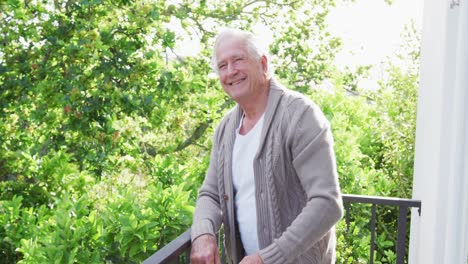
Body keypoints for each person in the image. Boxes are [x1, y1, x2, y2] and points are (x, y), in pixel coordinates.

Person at [190, 28, 343, 264]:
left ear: (263, 63)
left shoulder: (300, 115)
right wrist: (202, 233)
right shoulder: (225, 129)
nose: (231, 71)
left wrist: (266, 258)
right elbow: (210, 194)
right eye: (222, 66)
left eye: (238, 60)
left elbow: (327, 203)